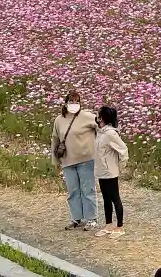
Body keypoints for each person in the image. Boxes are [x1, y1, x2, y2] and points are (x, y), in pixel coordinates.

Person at [51, 91, 99, 231]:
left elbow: (102, 128)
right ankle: (76, 218)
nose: (74, 105)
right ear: (66, 103)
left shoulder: (88, 116)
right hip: (67, 161)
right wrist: (55, 160)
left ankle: (91, 219)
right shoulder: (59, 120)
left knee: (88, 190)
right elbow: (55, 139)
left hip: (86, 159)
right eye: (71, 102)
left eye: (76, 102)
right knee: (73, 191)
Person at [94, 106, 129, 238]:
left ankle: (120, 227)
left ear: (102, 117)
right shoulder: (100, 132)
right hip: (101, 171)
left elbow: (123, 150)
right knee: (106, 199)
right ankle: (108, 225)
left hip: (111, 172)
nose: (97, 118)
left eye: (99, 115)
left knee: (115, 198)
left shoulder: (111, 134)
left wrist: (120, 166)